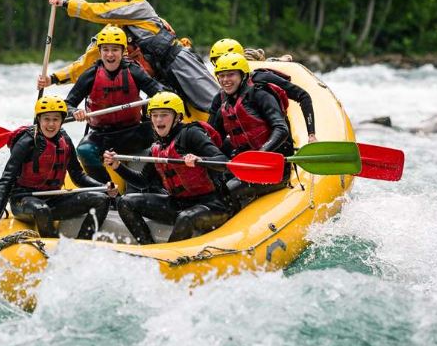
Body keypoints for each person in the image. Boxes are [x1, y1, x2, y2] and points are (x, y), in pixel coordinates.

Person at [39, 0, 218, 112]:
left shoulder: (140, 6)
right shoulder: (111, 33)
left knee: (214, 101)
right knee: (167, 113)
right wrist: (54, 78)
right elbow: (87, 61)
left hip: (178, 61)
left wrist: (65, 3)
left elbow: (101, 11)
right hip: (157, 78)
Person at [103, 92, 231, 244]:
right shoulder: (157, 147)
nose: (158, 119)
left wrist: (200, 159)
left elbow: (224, 162)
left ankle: (169, 260)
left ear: (177, 117)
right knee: (125, 202)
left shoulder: (191, 134)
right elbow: (143, 182)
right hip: (178, 203)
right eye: (154, 115)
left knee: (186, 218)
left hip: (212, 204)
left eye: (164, 115)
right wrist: (118, 167)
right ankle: (148, 249)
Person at [0, 95, 116, 240]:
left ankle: (83, 244)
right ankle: (53, 249)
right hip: (23, 200)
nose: (51, 124)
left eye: (56, 119)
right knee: (41, 209)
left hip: (53, 199)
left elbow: (78, 176)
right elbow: (6, 180)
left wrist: (103, 186)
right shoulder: (27, 142)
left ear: (62, 121)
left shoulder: (65, 140)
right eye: (46, 119)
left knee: (101, 200)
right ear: (39, 119)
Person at [63, 24, 167, 184]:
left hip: (134, 133)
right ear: (100, 51)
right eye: (105, 49)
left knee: (163, 142)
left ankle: (152, 186)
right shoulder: (90, 75)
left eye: (115, 49)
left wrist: (161, 99)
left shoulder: (134, 71)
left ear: (123, 51)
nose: (110, 54)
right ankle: (107, 191)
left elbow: (160, 93)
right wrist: (74, 111)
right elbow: (67, 105)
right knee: (84, 150)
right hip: (102, 136)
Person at [207, 52, 293, 209]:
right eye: (221, 76)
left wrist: (260, 153)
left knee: (225, 191)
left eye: (231, 75)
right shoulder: (224, 104)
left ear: (242, 75)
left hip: (272, 168)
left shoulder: (260, 95)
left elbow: (281, 129)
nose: (225, 80)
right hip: (244, 166)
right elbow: (212, 140)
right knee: (213, 185)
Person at [209, 38, 316, 143]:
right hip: (246, 147)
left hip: (276, 143)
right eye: (218, 61)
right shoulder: (222, 96)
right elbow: (210, 131)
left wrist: (311, 135)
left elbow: (303, 96)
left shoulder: (262, 79)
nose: (223, 64)